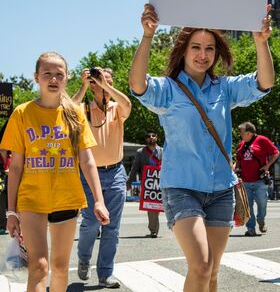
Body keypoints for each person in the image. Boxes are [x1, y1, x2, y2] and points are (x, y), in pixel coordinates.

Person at [129, 3, 274, 292]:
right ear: (183, 50)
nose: (202, 54)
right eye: (196, 46)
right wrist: (147, 36)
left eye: (210, 49)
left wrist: (261, 42)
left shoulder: (225, 88)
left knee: (213, 272)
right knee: (201, 265)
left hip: (221, 189)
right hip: (182, 188)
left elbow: (264, 83)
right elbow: (137, 85)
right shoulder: (168, 89)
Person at [0, 52, 110, 292]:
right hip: (31, 200)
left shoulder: (75, 114)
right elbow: (15, 166)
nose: (53, 78)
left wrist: (99, 201)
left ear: (66, 78)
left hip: (66, 198)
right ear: (36, 77)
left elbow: (87, 160)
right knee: (39, 266)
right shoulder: (22, 113)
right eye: (47, 73)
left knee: (60, 268)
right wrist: (11, 212)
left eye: (59, 74)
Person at [72, 66, 132, 288]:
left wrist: (106, 86)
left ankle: (105, 273)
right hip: (90, 174)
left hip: (116, 171)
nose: (105, 84)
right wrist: (85, 85)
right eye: (100, 80)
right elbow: (67, 107)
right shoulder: (82, 108)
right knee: (90, 223)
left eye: (109, 80)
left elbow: (128, 104)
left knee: (112, 227)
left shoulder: (117, 108)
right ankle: (84, 259)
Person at [235, 121, 280, 236]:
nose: (240, 134)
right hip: (245, 180)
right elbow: (239, 159)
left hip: (259, 180)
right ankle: (250, 228)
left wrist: (267, 165)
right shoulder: (242, 144)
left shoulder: (262, 140)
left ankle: (261, 219)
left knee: (262, 202)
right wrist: (238, 168)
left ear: (249, 133)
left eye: (242, 132)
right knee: (248, 206)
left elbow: (276, 153)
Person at [128, 130, 163, 238]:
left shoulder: (163, 151)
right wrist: (129, 182)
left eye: (153, 135)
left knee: (165, 206)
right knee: (152, 208)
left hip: (162, 182)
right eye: (148, 136)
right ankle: (153, 230)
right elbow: (135, 168)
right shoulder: (140, 152)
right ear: (146, 139)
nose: (151, 137)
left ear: (157, 137)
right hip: (148, 184)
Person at [0, 122, 12, 235]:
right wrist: (4, 171)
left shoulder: (11, 154)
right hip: (1, 181)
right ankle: (1, 226)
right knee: (1, 200)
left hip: (8, 182)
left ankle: (9, 224)